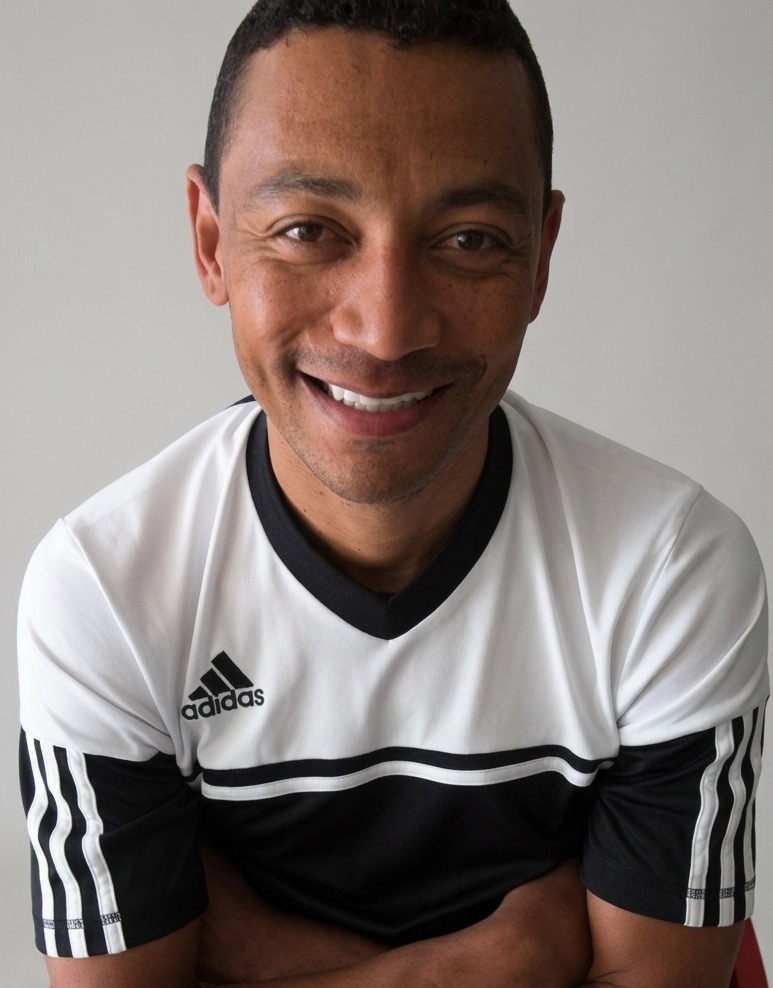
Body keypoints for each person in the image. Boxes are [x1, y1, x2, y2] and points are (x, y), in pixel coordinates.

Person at [18, 1, 768, 986]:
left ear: (541, 255)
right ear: (210, 241)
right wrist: (515, 953)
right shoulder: (105, 585)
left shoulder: (669, 566)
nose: (384, 330)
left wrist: (244, 954)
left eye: (468, 240)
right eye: (307, 230)